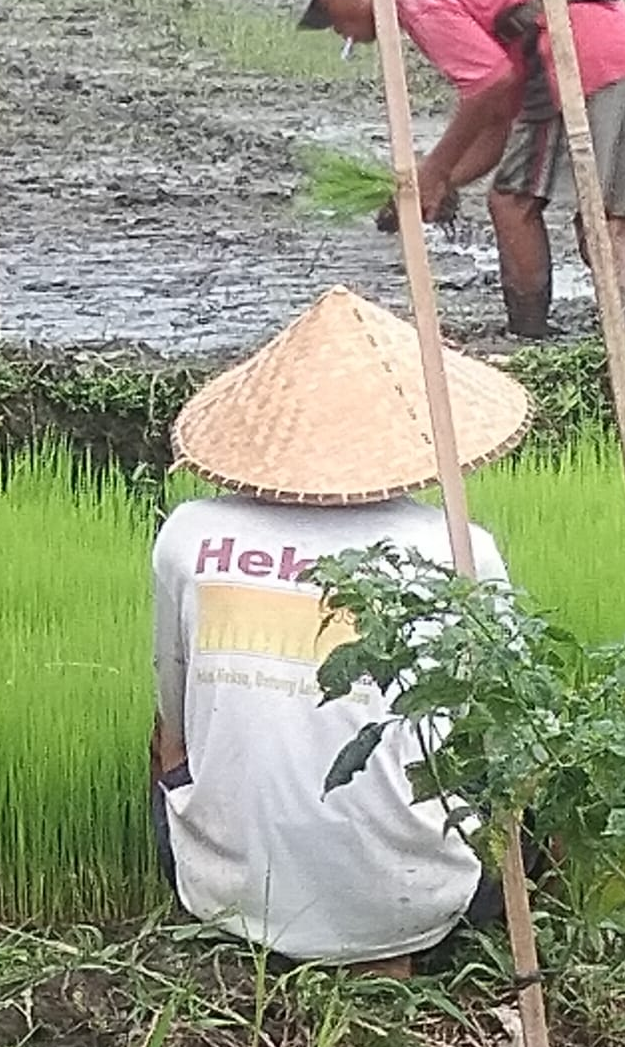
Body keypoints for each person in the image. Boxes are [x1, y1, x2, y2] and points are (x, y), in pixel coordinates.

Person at [151, 285, 532, 971]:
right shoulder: (459, 547)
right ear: (403, 432)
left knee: (164, 745)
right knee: (512, 763)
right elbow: (504, 735)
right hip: (421, 905)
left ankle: (257, 921)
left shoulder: (190, 535)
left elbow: (172, 736)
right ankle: (415, 942)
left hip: (231, 898)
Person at [298, 0, 625, 339]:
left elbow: (489, 87)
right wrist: (444, 181)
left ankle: (529, 338)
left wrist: (432, 171)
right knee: (611, 228)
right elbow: (501, 115)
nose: (335, 27)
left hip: (578, 62)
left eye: (326, 8)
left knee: (511, 203)